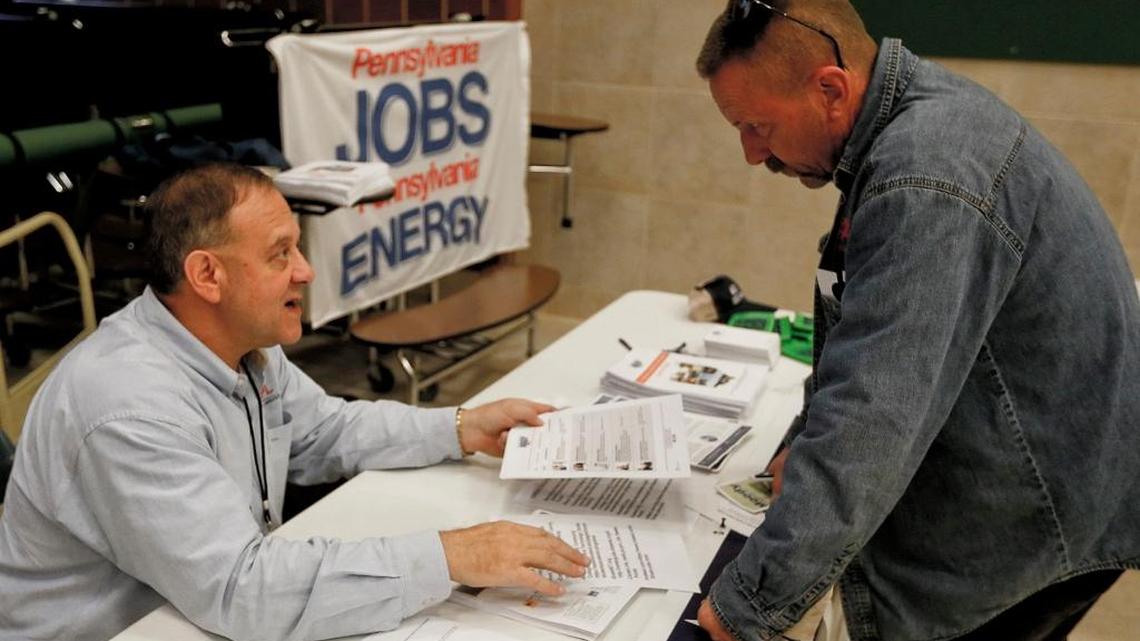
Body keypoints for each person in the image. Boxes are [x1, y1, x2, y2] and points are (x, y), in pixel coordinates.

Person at [692, 1, 1140, 640]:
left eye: (758, 125)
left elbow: (875, 412)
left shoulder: (927, 175)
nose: (750, 153)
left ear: (830, 88)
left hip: (1045, 504)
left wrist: (752, 605)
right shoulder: (909, 122)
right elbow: (864, 331)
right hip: (1056, 463)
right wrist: (804, 438)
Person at [0, 163, 590, 641]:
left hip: (186, 611)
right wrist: (450, 555)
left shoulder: (240, 344)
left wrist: (461, 428)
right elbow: (239, 591)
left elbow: (320, 431)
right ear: (208, 275)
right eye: (281, 253)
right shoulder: (130, 407)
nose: (305, 272)